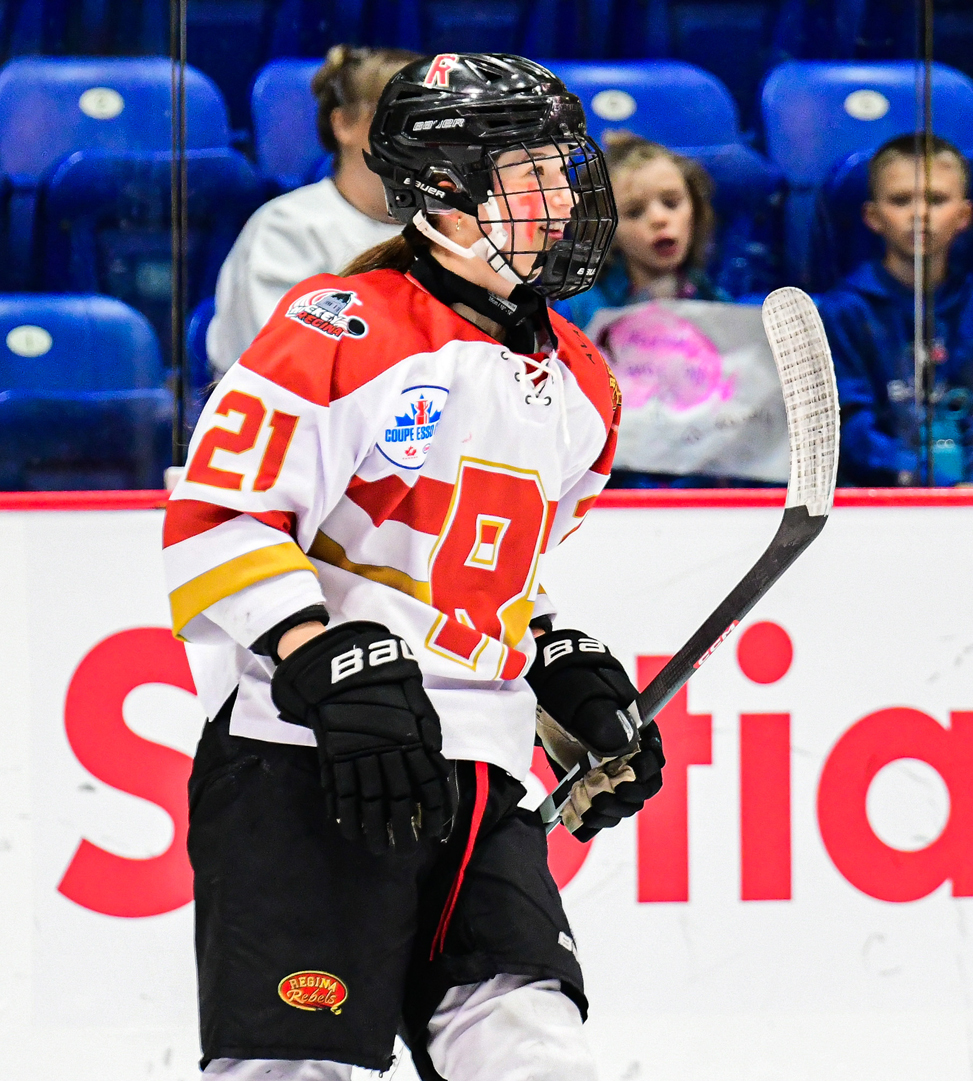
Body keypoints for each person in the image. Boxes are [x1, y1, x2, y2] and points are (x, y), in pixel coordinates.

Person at [165, 54, 665, 1081]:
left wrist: (554, 668)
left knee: (537, 1052)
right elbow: (217, 517)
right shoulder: (338, 327)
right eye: (530, 175)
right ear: (444, 192)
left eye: (564, 169)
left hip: (481, 776)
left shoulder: (584, 384)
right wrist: (318, 653)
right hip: (303, 763)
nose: (564, 196)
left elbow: (487, 577)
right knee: (296, 1067)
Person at [205, 45, 417, 375]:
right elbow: (289, 369)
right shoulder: (286, 228)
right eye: (398, 118)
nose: (417, 135)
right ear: (344, 123)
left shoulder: (456, 224)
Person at [819, 133, 973, 486]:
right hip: (877, 498)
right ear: (873, 216)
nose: (919, 214)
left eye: (936, 200)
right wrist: (929, 479)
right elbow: (846, 425)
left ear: (964, 215)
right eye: (901, 200)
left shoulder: (972, 304)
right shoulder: (844, 312)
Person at [563, 131, 729, 332]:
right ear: (605, 231)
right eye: (634, 212)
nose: (659, 219)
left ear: (695, 210)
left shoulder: (715, 302)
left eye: (671, 203)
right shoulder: (579, 310)